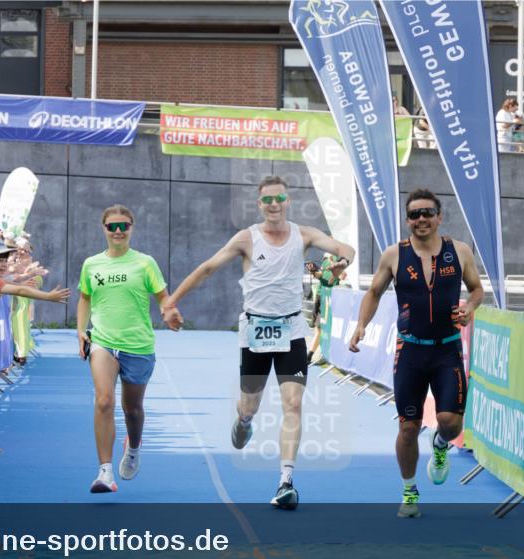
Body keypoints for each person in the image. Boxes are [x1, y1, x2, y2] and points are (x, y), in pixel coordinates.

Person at [162, 176, 355, 510]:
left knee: (293, 404)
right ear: (259, 205)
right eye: (267, 200)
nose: (274, 205)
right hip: (255, 332)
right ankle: (244, 421)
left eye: (279, 198)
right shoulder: (246, 238)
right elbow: (207, 268)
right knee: (250, 404)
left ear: (288, 200)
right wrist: (171, 302)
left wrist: (342, 262)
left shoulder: (303, 234)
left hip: (292, 330)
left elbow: (344, 248)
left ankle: (285, 481)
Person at [348, 189, 483, 519]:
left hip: (447, 350)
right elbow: (374, 293)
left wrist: (471, 309)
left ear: (439, 216)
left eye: (427, 213)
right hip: (409, 352)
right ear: (408, 221)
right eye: (414, 215)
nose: (421, 219)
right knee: (408, 428)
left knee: (451, 424)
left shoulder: (459, 251)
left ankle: (440, 445)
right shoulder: (394, 255)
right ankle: (409, 491)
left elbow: (476, 289)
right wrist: (361, 325)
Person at [75, 205, 177, 494]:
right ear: (104, 229)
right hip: (103, 341)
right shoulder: (92, 264)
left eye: (124, 226)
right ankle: (105, 472)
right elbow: (84, 297)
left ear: (132, 228)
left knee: (132, 409)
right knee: (104, 400)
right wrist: (81, 330)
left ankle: (133, 447)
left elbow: (162, 297)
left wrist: (169, 313)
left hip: (138, 344)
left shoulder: (145, 263)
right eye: (112, 227)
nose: (118, 232)